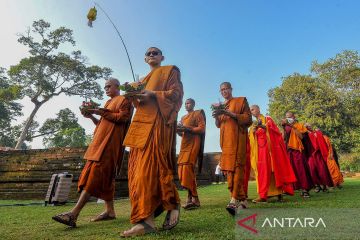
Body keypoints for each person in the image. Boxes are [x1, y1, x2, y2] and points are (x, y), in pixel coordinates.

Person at [52, 78, 133, 227]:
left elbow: (122, 118)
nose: (106, 89)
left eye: (109, 86)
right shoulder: (108, 103)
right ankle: (110, 211)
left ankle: (73, 214)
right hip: (98, 145)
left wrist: (99, 111)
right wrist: (92, 116)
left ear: (117, 86)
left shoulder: (124, 100)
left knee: (94, 176)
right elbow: (102, 124)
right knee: (106, 178)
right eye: (105, 87)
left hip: (109, 146)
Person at [121, 47, 183, 237]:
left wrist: (153, 94)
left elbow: (176, 94)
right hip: (140, 127)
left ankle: (150, 218)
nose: (151, 55)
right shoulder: (140, 80)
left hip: (158, 123)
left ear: (162, 57)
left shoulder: (170, 70)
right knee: (137, 174)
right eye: (148, 53)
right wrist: (133, 96)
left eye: (155, 52)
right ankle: (149, 216)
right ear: (145, 58)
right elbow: (139, 104)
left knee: (152, 169)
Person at [212, 82, 252, 216]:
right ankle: (244, 200)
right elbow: (219, 124)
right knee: (229, 171)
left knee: (237, 168)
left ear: (231, 89)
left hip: (238, 140)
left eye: (226, 89)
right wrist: (217, 116)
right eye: (221, 90)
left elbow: (248, 119)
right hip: (225, 142)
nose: (224, 91)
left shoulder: (240, 101)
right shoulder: (222, 106)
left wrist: (231, 114)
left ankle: (233, 200)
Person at [249, 105, 296, 203]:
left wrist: (262, 126)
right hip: (260, 151)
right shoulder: (253, 124)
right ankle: (263, 195)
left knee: (274, 170)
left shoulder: (267, 119)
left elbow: (275, 131)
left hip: (270, 150)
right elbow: (251, 139)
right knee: (263, 172)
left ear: (258, 109)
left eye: (253, 109)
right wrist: (253, 131)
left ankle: (279, 194)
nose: (251, 111)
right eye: (250, 110)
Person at [177, 98, 206, 210]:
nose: (186, 105)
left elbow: (202, 129)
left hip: (194, 143)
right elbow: (182, 133)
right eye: (185, 103)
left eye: (188, 103)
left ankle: (194, 198)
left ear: (193, 104)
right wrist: (179, 130)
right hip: (185, 144)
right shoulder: (183, 117)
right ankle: (191, 198)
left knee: (187, 168)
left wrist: (187, 128)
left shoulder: (198, 113)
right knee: (181, 170)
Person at [281, 112, 313, 197]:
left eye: (290, 117)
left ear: (294, 117)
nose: (288, 118)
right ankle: (290, 189)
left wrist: (292, 126)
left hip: (298, 151)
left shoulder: (300, 125)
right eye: (287, 117)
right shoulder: (286, 127)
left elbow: (301, 137)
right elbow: (283, 138)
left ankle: (305, 190)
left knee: (301, 170)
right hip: (289, 151)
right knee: (291, 171)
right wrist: (284, 127)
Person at [303, 124, 334, 192]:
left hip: (318, 155)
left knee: (322, 170)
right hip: (310, 156)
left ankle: (324, 186)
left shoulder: (316, 133)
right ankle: (317, 186)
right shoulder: (304, 135)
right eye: (307, 126)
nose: (309, 127)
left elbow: (321, 143)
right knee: (312, 171)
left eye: (309, 126)